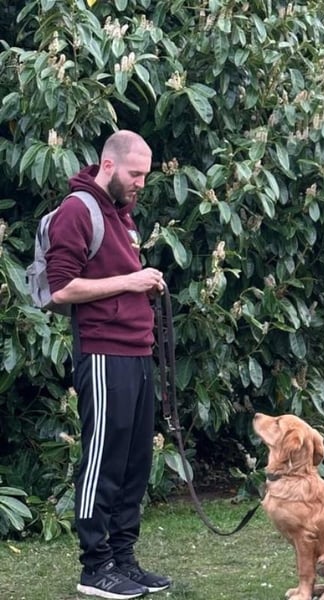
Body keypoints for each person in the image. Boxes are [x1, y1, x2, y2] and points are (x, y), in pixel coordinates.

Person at [46, 130, 171, 598]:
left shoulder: (123, 217)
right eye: (136, 173)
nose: (141, 182)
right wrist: (131, 281)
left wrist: (143, 284)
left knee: (135, 461)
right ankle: (95, 567)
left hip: (137, 352)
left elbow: (120, 279)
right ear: (109, 165)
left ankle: (124, 559)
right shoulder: (78, 210)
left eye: (146, 174)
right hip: (102, 353)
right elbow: (62, 290)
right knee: (103, 459)